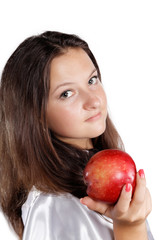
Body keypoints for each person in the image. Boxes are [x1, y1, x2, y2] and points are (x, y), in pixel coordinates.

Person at [0, 31, 154, 240]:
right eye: (66, 93)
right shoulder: (52, 208)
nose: (94, 101)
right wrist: (130, 228)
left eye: (92, 80)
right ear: (35, 115)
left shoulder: (99, 176)